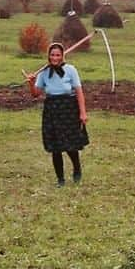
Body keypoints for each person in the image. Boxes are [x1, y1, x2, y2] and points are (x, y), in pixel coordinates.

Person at [26, 42, 89, 186]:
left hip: (68, 109)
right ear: (48, 56)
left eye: (58, 55)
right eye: (52, 55)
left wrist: (83, 113)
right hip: (51, 110)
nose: (55, 58)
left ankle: (77, 168)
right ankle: (60, 179)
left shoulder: (71, 70)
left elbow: (79, 92)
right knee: (55, 147)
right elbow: (36, 94)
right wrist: (32, 82)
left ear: (62, 56)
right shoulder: (43, 73)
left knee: (70, 145)